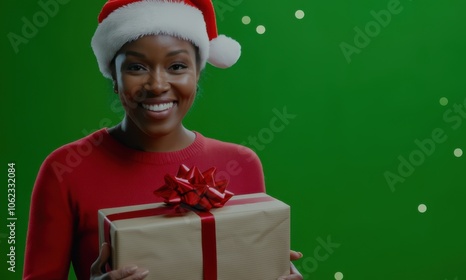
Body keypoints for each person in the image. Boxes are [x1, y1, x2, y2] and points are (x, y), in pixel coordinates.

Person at [23, 0, 303, 279]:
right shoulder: (65, 170)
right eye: (136, 68)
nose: (157, 85)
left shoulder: (241, 163)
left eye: (177, 66)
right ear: (114, 76)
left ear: (198, 72)